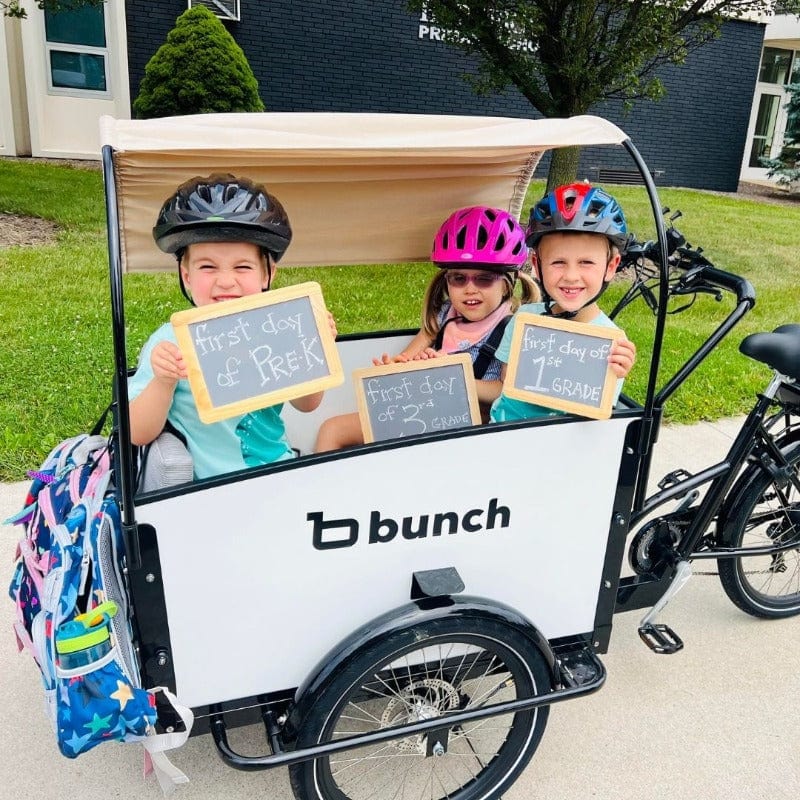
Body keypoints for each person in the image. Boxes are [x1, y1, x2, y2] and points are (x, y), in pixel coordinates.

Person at [128, 173, 336, 479]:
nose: (226, 281)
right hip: (210, 491)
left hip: (280, 472)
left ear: (268, 275)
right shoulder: (171, 341)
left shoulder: (279, 327)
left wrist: (315, 347)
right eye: (208, 267)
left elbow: (307, 404)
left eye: (243, 267)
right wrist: (163, 381)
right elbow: (137, 432)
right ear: (187, 276)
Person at [314, 205, 540, 452]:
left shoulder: (514, 327)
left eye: (484, 279)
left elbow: (506, 390)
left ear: (508, 285)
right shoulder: (445, 316)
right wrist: (398, 368)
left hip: (473, 428)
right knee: (332, 430)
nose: (470, 289)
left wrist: (449, 376)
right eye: (458, 278)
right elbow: (408, 357)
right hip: (423, 414)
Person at [490, 182, 636, 423]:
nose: (570, 275)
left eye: (586, 262)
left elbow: (596, 419)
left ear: (611, 266)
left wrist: (612, 375)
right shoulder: (526, 319)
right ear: (537, 266)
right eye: (558, 262)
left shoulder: (612, 342)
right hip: (501, 431)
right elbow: (507, 378)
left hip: (561, 448)